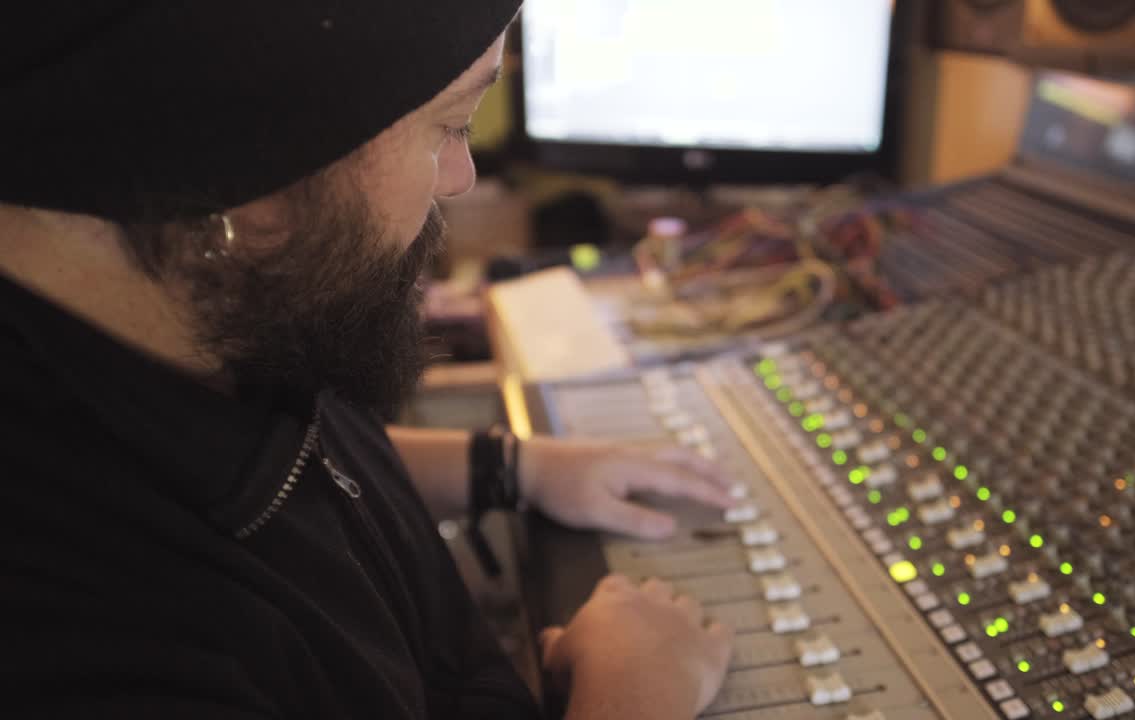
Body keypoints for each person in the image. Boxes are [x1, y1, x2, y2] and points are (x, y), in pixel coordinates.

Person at [0, 2, 734, 718]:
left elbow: (293, 474)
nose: (460, 176)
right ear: (251, 172)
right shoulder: (80, 641)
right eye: (450, 125)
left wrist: (509, 468)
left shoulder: (197, 307)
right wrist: (636, 695)